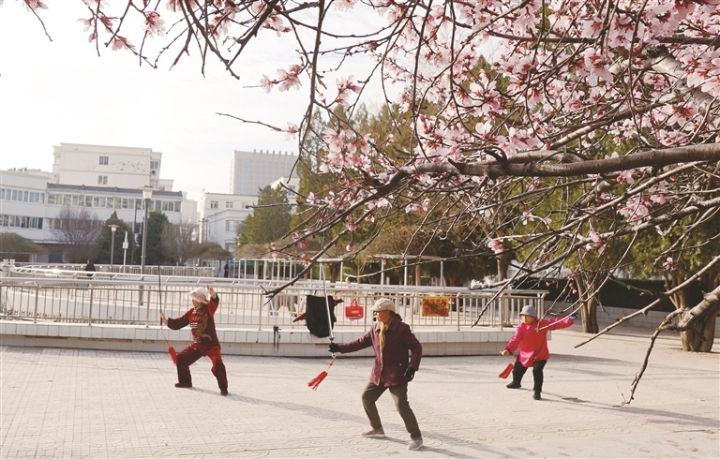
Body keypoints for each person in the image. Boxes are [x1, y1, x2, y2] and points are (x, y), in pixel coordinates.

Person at [328, 298, 424, 451]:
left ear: (387, 312)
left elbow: (416, 347)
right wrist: (339, 348)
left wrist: (412, 367)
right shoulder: (375, 328)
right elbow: (360, 342)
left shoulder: (402, 329)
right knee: (367, 397)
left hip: (397, 374)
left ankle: (416, 437)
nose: (375, 314)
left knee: (401, 405)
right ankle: (377, 428)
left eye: (378, 312)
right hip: (379, 373)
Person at [160, 285, 229, 396]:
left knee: (218, 364)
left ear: (200, 301)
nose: (192, 301)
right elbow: (179, 322)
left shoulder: (208, 310)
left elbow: (214, 304)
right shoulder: (191, 313)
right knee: (180, 359)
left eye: (194, 299)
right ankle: (185, 381)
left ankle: (223, 388)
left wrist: (213, 296)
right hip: (197, 345)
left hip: (211, 346)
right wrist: (166, 321)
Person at [501, 304, 573, 400]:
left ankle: (537, 391)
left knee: (537, 371)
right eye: (523, 316)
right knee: (517, 369)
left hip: (540, 354)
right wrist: (508, 349)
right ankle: (516, 382)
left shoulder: (541, 324)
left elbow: (555, 323)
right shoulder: (521, 327)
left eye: (527, 316)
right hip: (525, 354)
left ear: (533, 317)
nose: (524, 318)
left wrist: (569, 319)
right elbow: (515, 339)